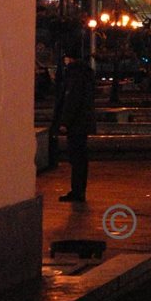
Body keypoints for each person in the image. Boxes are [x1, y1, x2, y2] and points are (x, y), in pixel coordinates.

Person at [56, 55, 96, 203]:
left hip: (76, 124)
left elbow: (72, 100)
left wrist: (64, 122)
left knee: (76, 157)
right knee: (81, 158)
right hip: (83, 123)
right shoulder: (86, 74)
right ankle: (79, 190)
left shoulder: (75, 76)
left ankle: (77, 191)